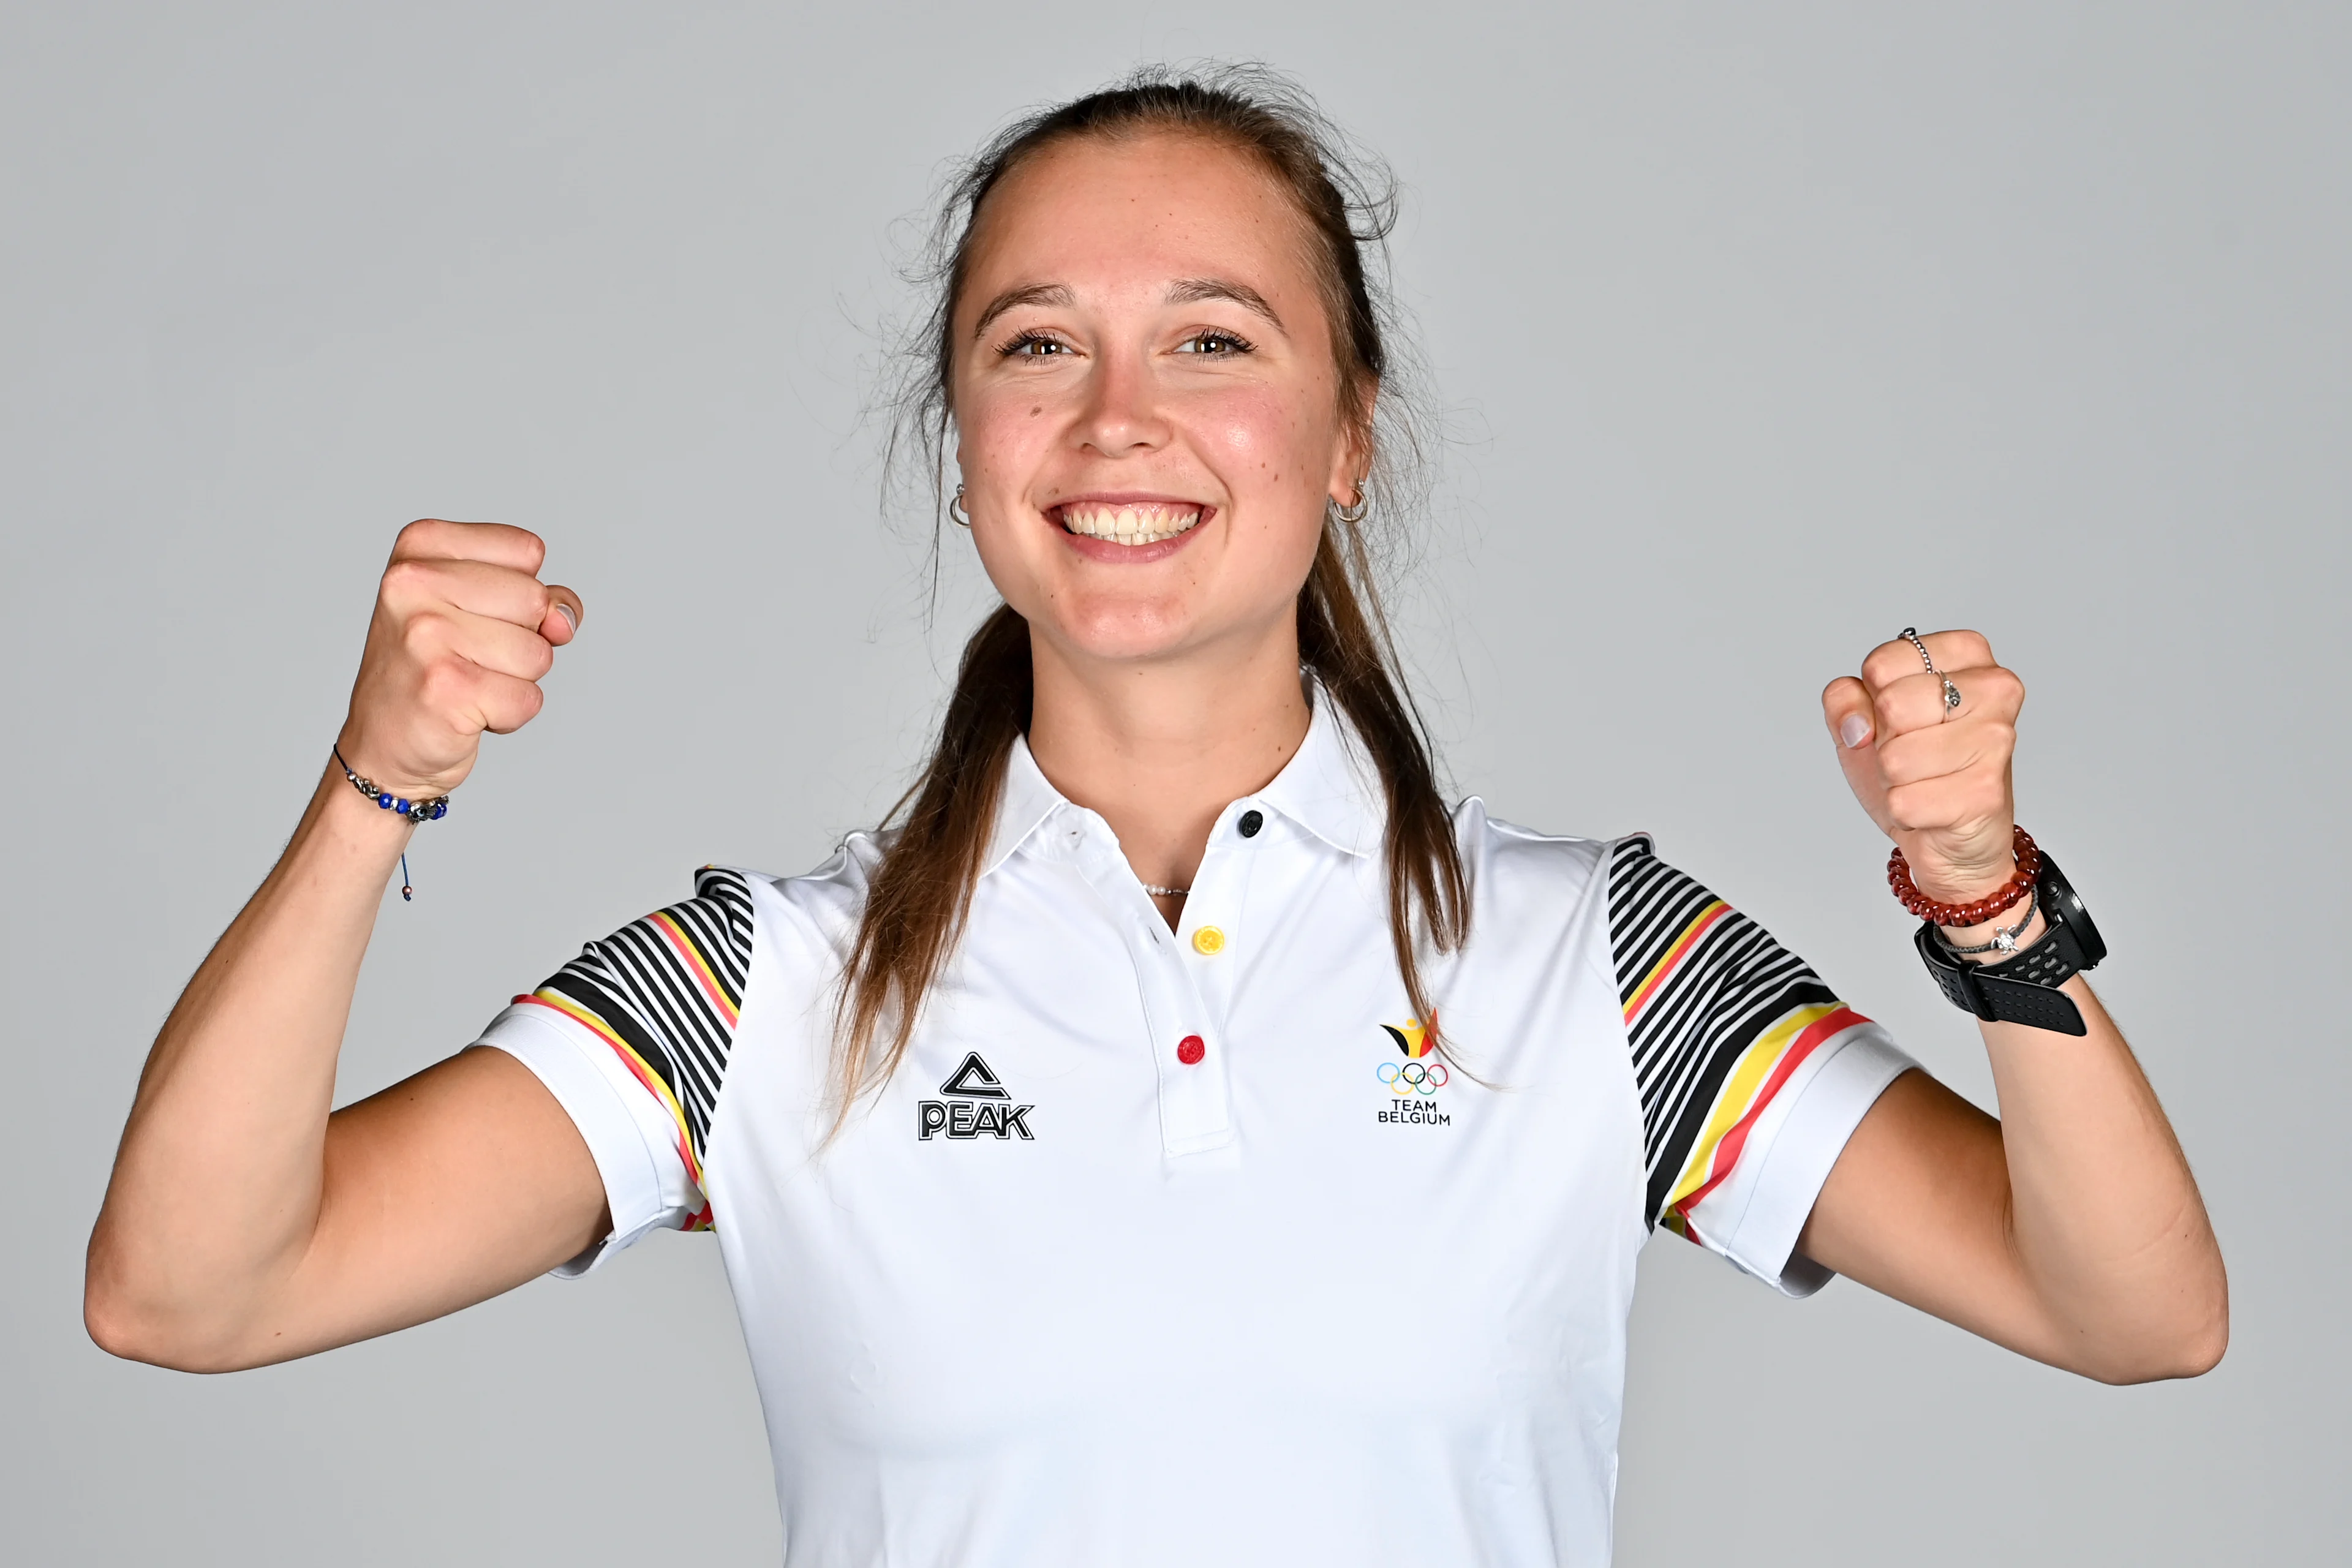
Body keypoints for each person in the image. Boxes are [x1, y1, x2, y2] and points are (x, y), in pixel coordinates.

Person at [86, 66, 2225, 1566]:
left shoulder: (1603, 962)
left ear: (1349, 429)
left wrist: (1985, 902)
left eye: (1213, 337)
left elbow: (2131, 1316)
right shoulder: (765, 987)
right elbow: (194, 1291)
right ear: (965, 447)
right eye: (1039, 345)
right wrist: (380, 786)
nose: (1120, 421)